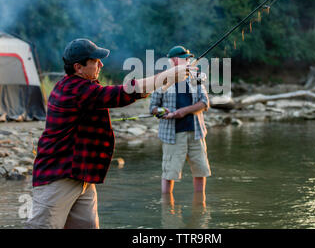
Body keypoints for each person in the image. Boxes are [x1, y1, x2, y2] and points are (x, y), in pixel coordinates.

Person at [26, 38, 194, 229]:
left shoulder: (80, 86)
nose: (101, 64)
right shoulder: (74, 89)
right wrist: (167, 77)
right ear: (78, 67)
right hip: (57, 178)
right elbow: (120, 93)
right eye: (95, 61)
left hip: (81, 175)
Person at [150, 45, 211, 194]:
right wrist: (162, 112)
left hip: (196, 133)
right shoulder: (162, 80)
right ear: (174, 61)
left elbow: (205, 103)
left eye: (189, 59)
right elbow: (153, 108)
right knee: (169, 174)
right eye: (185, 59)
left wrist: (182, 112)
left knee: (201, 172)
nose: (188, 61)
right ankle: (167, 208)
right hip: (173, 136)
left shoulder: (195, 77)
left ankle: (199, 204)